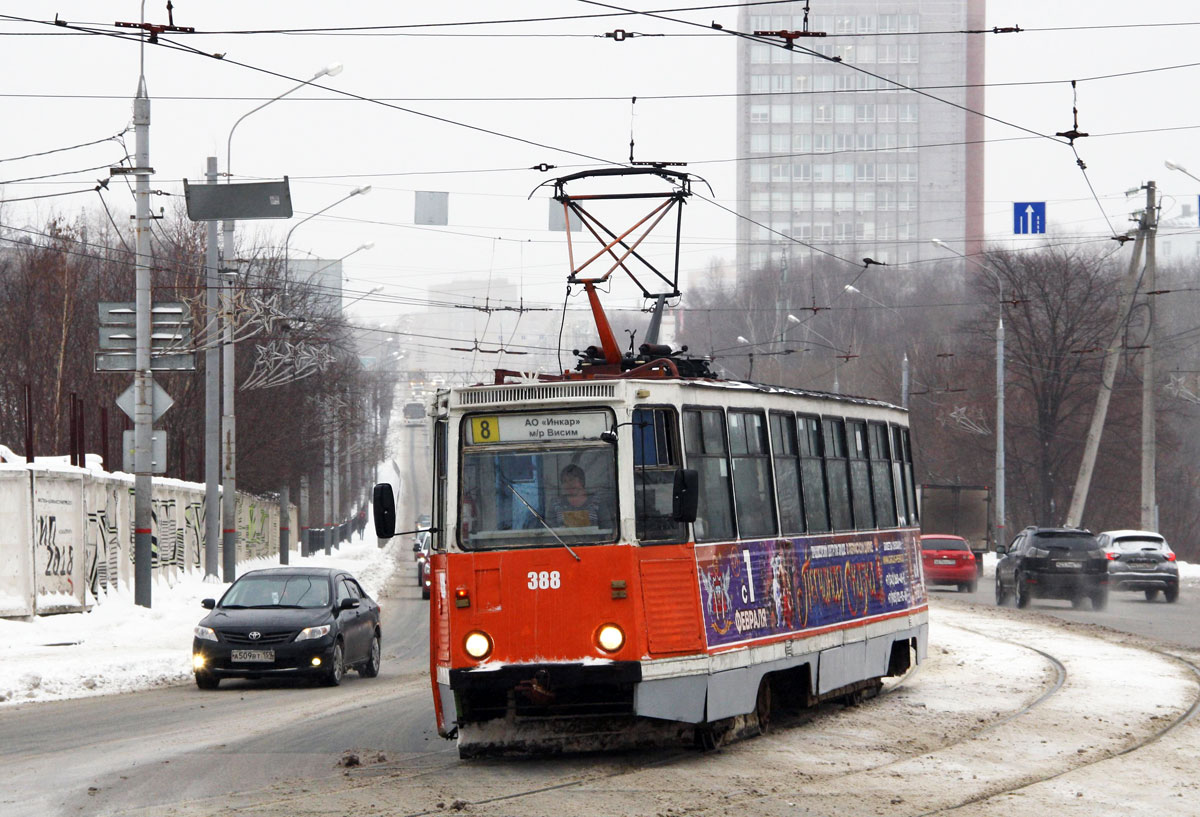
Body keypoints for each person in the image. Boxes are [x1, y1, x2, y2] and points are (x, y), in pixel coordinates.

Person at [547, 464, 611, 529]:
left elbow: (607, 529)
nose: (568, 484)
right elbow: (550, 531)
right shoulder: (555, 503)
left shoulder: (598, 502)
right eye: (564, 481)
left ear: (582, 481)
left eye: (571, 480)